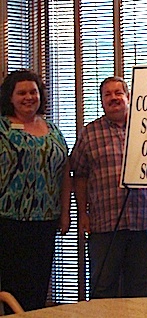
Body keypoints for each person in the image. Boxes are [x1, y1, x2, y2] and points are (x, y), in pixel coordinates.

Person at [70, 76, 147, 299]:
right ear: (101, 101)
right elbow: (80, 175)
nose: (114, 98)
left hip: (143, 219)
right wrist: (82, 213)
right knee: (103, 284)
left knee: (142, 285)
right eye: (108, 94)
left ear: (129, 97)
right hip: (104, 222)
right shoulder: (89, 133)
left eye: (118, 93)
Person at [0, 69, 72, 312]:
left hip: (45, 220)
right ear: (10, 97)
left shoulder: (53, 130)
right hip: (8, 220)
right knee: (11, 286)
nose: (28, 97)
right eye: (21, 93)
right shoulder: (2, 128)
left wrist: (65, 213)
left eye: (33, 92)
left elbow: (64, 172)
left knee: (38, 283)